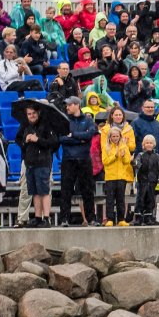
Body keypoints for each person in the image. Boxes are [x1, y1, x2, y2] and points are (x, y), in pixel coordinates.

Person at [59, 96, 96, 226]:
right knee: (66, 190)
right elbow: (61, 138)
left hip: (84, 159)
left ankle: (91, 218)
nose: (67, 107)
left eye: (69, 105)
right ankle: (64, 219)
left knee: (88, 190)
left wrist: (73, 135)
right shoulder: (63, 121)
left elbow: (89, 135)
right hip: (68, 159)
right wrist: (80, 139)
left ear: (77, 105)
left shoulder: (88, 120)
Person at [100, 106, 136, 226]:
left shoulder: (123, 145)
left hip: (122, 174)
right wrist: (115, 156)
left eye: (120, 114)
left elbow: (127, 159)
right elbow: (105, 160)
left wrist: (124, 154)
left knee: (121, 198)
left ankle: (121, 219)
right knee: (110, 198)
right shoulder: (106, 146)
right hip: (110, 175)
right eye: (116, 114)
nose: (115, 138)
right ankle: (110, 219)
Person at [134, 134, 159, 225]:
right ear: (144, 144)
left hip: (152, 181)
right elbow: (136, 164)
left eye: (150, 143)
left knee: (151, 199)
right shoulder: (140, 155)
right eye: (147, 143)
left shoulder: (157, 156)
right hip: (142, 180)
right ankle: (138, 217)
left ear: (153, 144)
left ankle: (148, 217)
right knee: (140, 199)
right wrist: (135, 163)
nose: (149, 145)